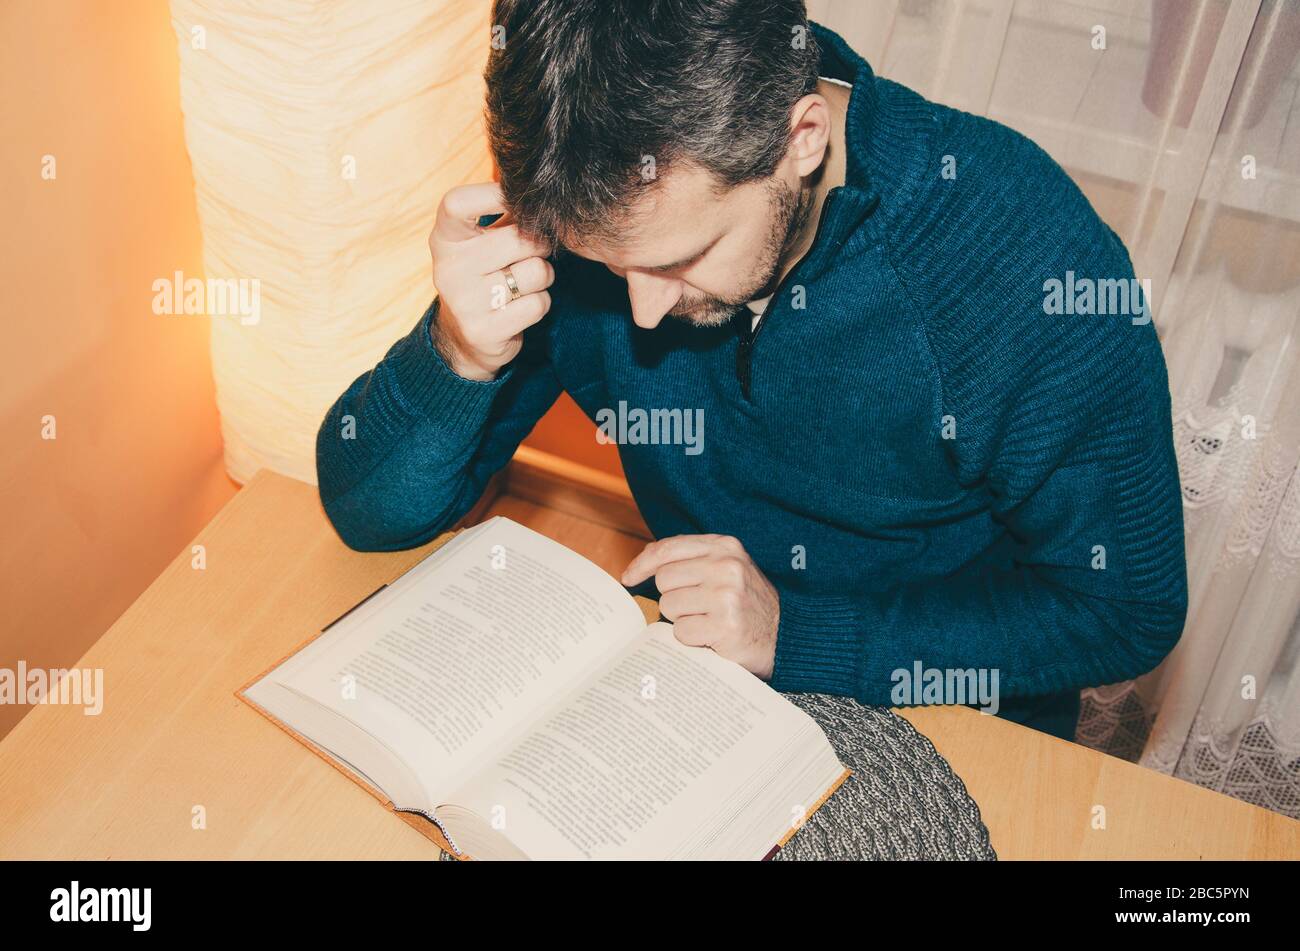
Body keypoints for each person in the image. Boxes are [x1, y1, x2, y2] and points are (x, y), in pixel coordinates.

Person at [315, 0, 1188, 743]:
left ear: (800, 139)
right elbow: (365, 512)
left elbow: (1126, 606)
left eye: (682, 257)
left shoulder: (1017, 254)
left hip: (945, 715)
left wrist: (798, 636)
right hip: (692, 698)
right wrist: (456, 354)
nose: (641, 311)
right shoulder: (602, 210)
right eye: (606, 263)